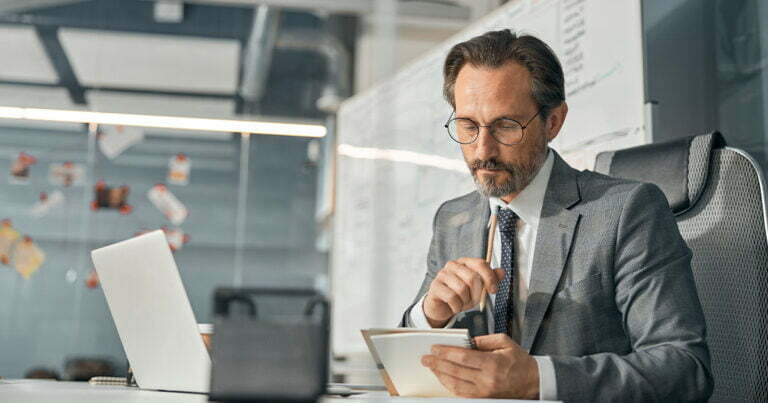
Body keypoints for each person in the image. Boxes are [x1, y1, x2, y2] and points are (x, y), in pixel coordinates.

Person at [400, 29, 713, 402]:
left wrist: (538, 378)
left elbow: (684, 370)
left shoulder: (627, 211)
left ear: (553, 122)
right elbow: (408, 375)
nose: (483, 150)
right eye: (468, 126)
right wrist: (430, 315)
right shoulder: (454, 218)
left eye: (505, 126)